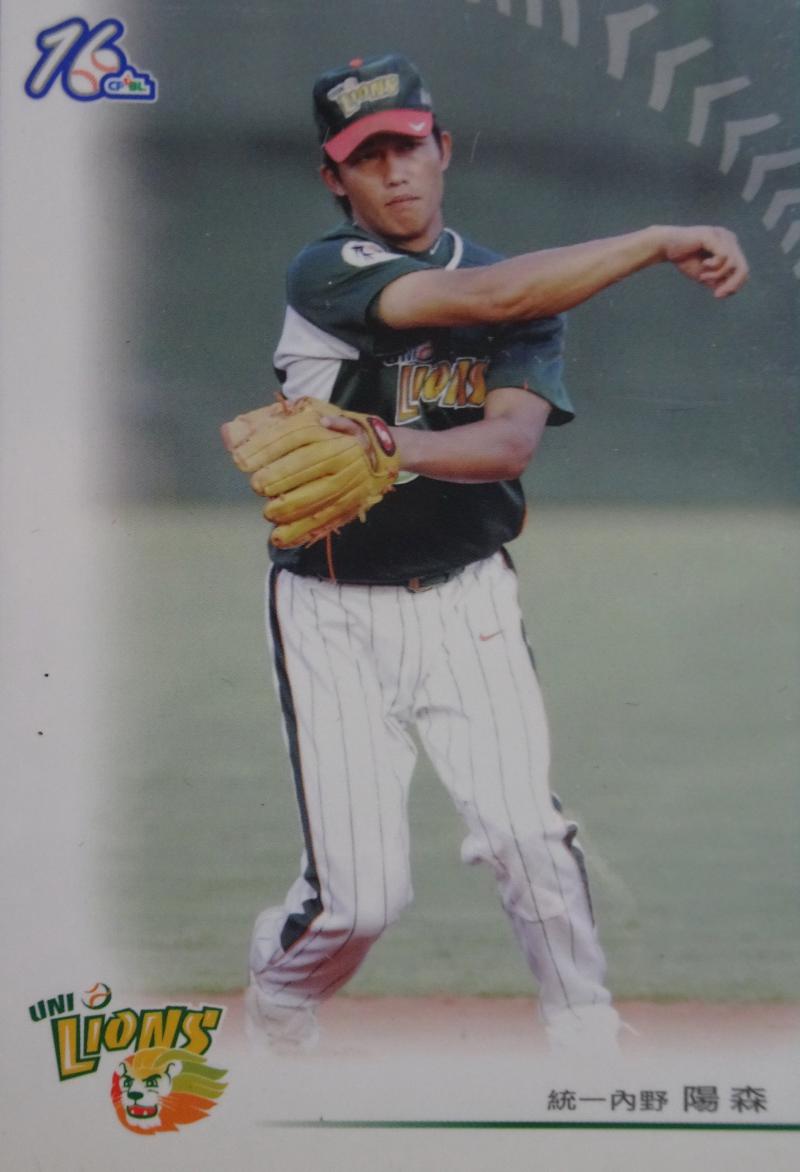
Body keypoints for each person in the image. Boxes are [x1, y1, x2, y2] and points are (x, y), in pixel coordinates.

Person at [242, 52, 748, 1053]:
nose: (394, 171)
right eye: (366, 156)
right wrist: (654, 240)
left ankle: (585, 1031)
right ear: (333, 178)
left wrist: (390, 447)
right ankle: (281, 994)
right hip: (331, 611)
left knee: (525, 832)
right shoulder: (325, 273)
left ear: (443, 148)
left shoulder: (529, 292)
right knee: (360, 901)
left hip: (466, 599)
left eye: (408, 145)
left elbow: (508, 443)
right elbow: (478, 298)